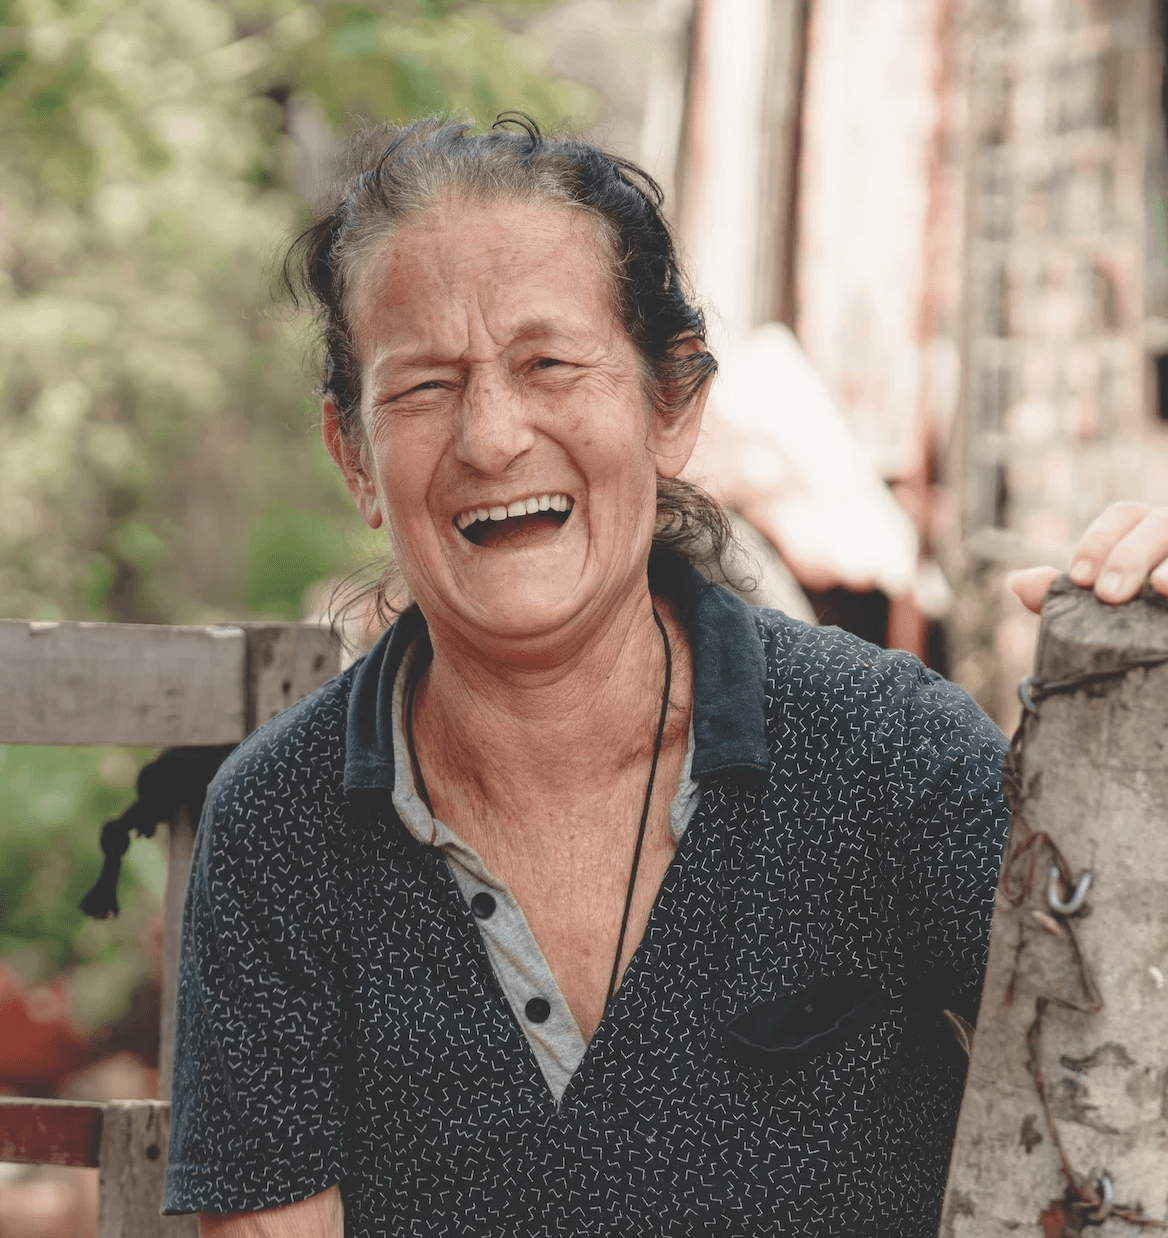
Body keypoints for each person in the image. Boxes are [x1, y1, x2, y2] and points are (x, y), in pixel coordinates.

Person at [162, 117, 1168, 1238]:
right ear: (354, 455)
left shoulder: (883, 751)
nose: (492, 435)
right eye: (424, 387)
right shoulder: (279, 828)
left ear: (671, 405)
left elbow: (1134, 1042)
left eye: (548, 362)